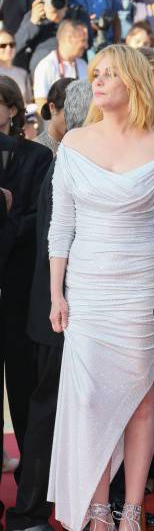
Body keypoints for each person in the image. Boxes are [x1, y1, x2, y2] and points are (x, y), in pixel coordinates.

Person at [47, 44, 154, 531]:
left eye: (109, 74)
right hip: (87, 292)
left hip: (139, 292)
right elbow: (61, 226)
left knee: (140, 407)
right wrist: (56, 294)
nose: (98, 81)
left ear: (133, 81)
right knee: (87, 406)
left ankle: (130, 519)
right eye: (95, 73)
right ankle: (97, 516)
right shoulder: (74, 143)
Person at [5, 80, 93, 531]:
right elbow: (57, 246)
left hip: (69, 310)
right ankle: (28, 513)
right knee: (48, 417)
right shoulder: (69, 165)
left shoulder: (74, 160)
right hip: (61, 313)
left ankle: (64, 511)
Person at [0, 77, 53, 495]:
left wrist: (8, 217)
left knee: (25, 396)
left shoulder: (37, 157)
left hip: (21, 296)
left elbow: (42, 221)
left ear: (13, 109)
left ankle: (32, 494)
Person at [14, 0, 89, 77]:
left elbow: (88, 43)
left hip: (74, 72)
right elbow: (15, 47)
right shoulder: (36, 14)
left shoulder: (78, 14)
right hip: (43, 76)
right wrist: (33, 23)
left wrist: (65, 21)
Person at [33, 19, 88, 108]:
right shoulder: (46, 66)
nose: (86, 45)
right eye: (83, 40)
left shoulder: (83, 65)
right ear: (69, 39)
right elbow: (41, 105)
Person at [35, 77, 74, 155]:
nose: (76, 120)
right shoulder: (35, 150)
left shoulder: (85, 146)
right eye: (71, 113)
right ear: (52, 108)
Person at [0, 30, 33, 103]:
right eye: (3, 46)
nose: (8, 48)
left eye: (11, 45)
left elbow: (28, 102)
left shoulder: (23, 73)